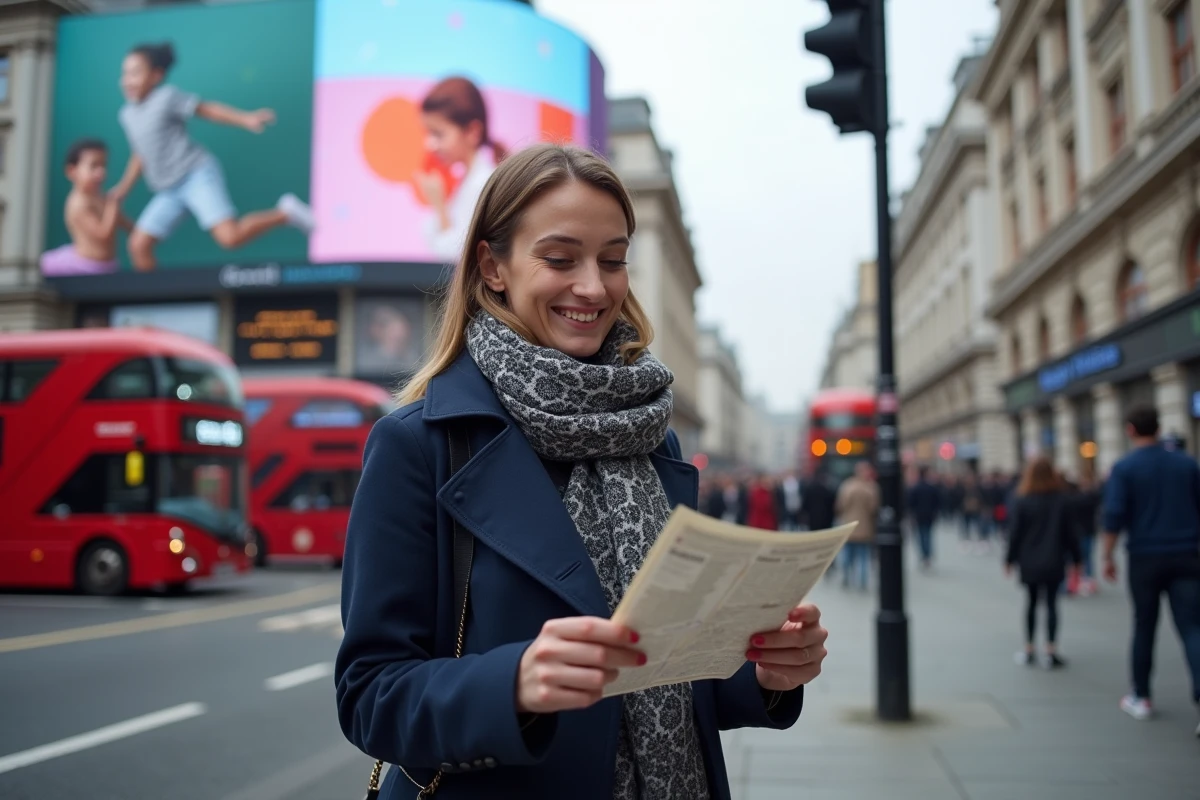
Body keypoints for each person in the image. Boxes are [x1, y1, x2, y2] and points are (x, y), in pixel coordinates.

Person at [335, 144, 828, 799]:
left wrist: (764, 675)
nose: (594, 288)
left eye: (614, 260)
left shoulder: (652, 434)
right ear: (493, 266)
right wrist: (512, 685)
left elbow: (666, 668)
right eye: (560, 259)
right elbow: (371, 694)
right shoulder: (417, 444)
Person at [112, 42, 314, 271]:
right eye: (125, 73)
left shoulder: (167, 97)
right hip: (168, 190)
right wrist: (124, 187)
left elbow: (207, 110)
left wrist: (245, 118)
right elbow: (140, 154)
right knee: (138, 246)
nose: (128, 79)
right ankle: (154, 302)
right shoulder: (126, 115)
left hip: (195, 174)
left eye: (136, 72)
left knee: (230, 238)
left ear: (156, 75)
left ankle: (285, 214)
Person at [1100, 406, 1200, 732]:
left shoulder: (1125, 467)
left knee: (1145, 625)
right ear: (1158, 428)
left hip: (1144, 557)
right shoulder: (1186, 463)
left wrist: (1107, 555)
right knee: (1192, 628)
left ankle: (1141, 696)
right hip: (1187, 554)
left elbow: (1114, 515)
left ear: (1130, 430)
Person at [416, 76, 506, 262]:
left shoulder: (482, 183)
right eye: (428, 134)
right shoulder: (469, 179)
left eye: (438, 134)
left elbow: (458, 259)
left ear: (472, 132)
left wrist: (440, 206)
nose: (430, 144)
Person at [1005, 457, 1082, 669]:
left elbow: (1015, 533)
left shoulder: (1022, 500)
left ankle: (1029, 648)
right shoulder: (1061, 500)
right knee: (1051, 604)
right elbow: (1071, 534)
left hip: (1029, 560)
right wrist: (1077, 559)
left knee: (1030, 603)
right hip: (1054, 558)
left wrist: (1009, 559)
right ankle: (1051, 649)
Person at [40, 139, 130, 276]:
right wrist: (113, 205)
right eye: (93, 166)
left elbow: (122, 222)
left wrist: (137, 231)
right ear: (72, 171)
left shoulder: (100, 197)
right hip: (86, 266)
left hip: (108, 265)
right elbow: (103, 235)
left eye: (103, 165)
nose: (101, 172)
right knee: (38, 265)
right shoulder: (78, 203)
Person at [835, 461, 879, 591]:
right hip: (865, 528)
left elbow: (840, 506)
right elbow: (874, 508)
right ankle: (862, 582)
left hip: (848, 527)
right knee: (863, 557)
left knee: (848, 555)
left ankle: (847, 577)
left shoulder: (847, 486)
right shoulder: (871, 487)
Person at [1069, 471, 1102, 596]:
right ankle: (1087, 582)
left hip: (1081, 531)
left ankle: (1082, 582)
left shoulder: (1075, 499)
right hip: (1087, 530)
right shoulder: (1093, 497)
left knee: (1082, 558)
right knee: (1087, 557)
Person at [906, 465, 940, 570]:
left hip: (919, 516)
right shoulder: (931, 487)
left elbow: (910, 503)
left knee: (921, 536)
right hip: (929, 516)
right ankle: (927, 555)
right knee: (928, 535)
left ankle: (924, 555)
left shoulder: (915, 488)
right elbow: (938, 502)